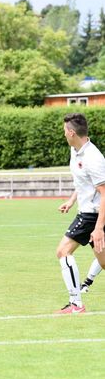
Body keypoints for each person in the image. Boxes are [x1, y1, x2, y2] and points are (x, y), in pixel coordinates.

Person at [56, 112, 105, 314]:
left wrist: (99, 227)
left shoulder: (93, 158)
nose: (64, 134)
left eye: (65, 131)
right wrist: (71, 199)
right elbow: (84, 182)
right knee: (103, 262)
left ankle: (76, 304)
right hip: (89, 212)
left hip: (92, 215)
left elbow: (104, 192)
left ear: (72, 132)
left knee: (62, 251)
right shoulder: (75, 150)